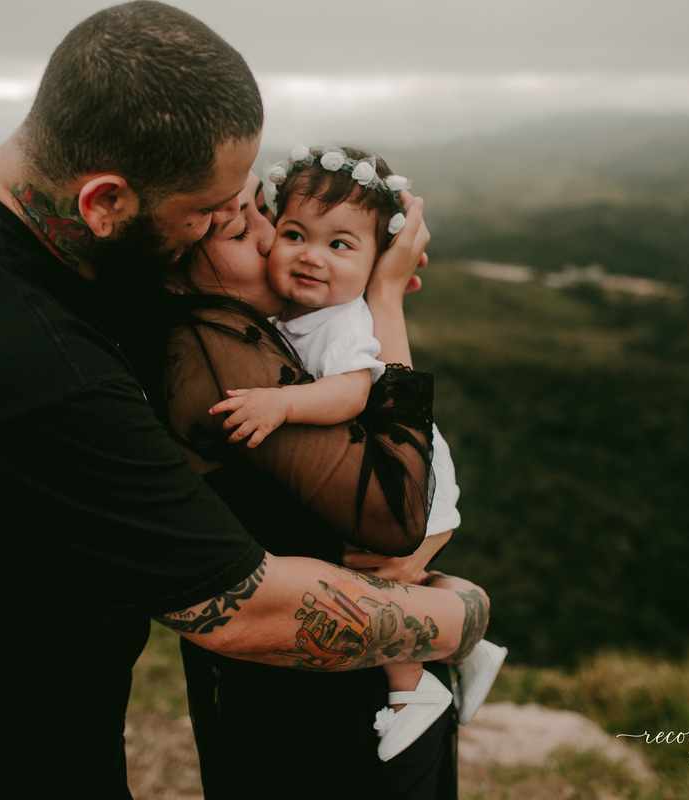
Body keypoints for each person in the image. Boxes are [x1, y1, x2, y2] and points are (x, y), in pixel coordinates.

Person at [0, 4, 488, 799]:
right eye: (209, 213)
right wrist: (459, 614)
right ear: (105, 203)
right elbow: (243, 610)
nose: (240, 222)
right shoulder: (29, 364)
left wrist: (362, 295)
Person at [119, 165, 468, 797]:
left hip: (301, 680)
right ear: (181, 264)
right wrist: (383, 301)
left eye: (260, 210)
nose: (266, 233)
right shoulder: (219, 355)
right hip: (325, 704)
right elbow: (396, 512)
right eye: (235, 229)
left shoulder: (251, 334)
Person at [207, 145, 508, 761]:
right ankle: (472, 649)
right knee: (398, 577)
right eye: (293, 234)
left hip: (410, 482)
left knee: (374, 577)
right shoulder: (292, 314)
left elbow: (353, 392)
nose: (310, 256)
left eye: (340, 246)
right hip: (388, 471)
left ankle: (412, 691)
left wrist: (281, 405)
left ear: (375, 267)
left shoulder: (345, 322)